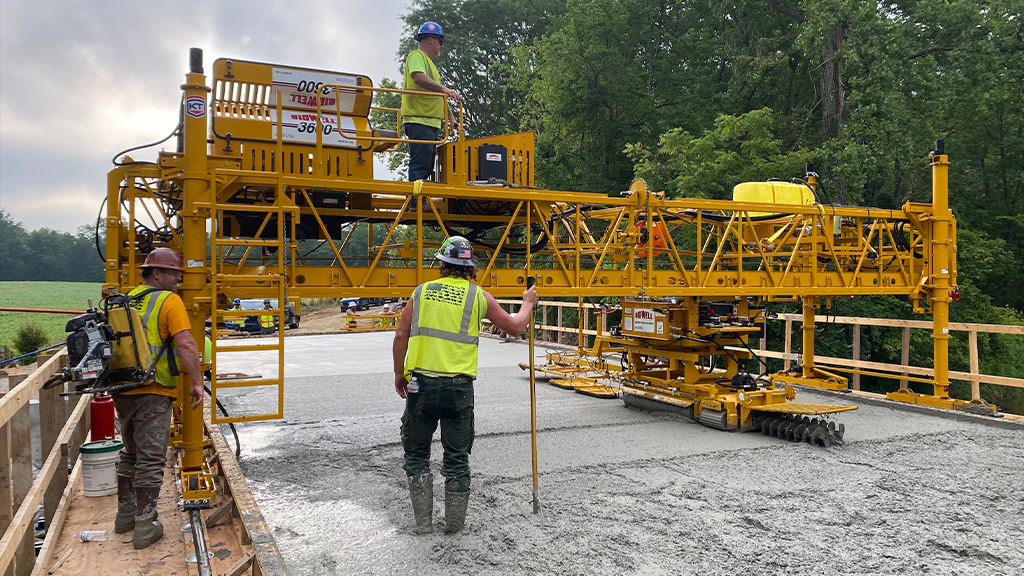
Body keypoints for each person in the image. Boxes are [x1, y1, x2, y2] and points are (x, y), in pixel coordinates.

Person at [392, 236, 538, 535]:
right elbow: (515, 327)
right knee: (456, 460)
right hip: (458, 390)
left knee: (417, 456)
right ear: (470, 267)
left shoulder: (420, 293)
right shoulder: (477, 297)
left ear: (443, 264)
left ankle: (423, 527)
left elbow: (400, 337)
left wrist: (399, 374)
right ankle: (455, 529)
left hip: (420, 386)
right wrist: (527, 303)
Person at [113, 247, 204, 549]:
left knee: (130, 452)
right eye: (174, 273)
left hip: (122, 388)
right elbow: (187, 345)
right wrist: (197, 382)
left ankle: (125, 517)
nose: (179, 278)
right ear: (156, 273)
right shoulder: (169, 301)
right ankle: (145, 525)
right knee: (151, 458)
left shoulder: (127, 299)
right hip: (153, 389)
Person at [401, 21, 462, 181]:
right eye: (440, 41)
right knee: (420, 165)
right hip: (419, 119)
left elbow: (439, 96)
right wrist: (445, 89)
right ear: (430, 39)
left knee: (427, 165)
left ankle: (419, 201)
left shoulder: (431, 66)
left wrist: (450, 117)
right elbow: (417, 77)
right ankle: (416, 203)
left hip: (428, 122)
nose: (442, 46)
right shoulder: (416, 56)